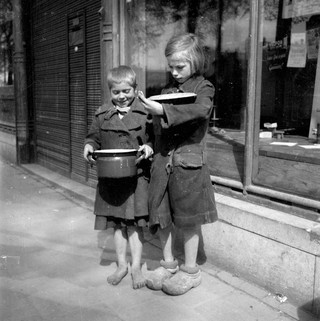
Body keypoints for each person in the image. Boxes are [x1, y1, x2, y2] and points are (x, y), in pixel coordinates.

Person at [138, 33, 218, 295]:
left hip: (188, 163)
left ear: (194, 61)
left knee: (188, 219)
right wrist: (150, 143)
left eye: (179, 66)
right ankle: (169, 264)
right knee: (162, 216)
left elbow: (200, 111)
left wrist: (162, 111)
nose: (174, 72)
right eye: (170, 66)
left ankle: (191, 271)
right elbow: (157, 128)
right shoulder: (166, 92)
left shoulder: (204, 88)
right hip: (163, 162)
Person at [83, 65, 153, 289]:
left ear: (135, 89)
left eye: (126, 91)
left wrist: (149, 148)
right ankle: (122, 265)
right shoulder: (102, 114)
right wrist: (88, 145)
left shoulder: (145, 113)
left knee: (134, 225)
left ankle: (136, 267)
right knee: (117, 224)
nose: (122, 96)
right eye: (116, 92)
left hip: (136, 177)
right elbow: (93, 137)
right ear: (110, 92)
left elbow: (153, 138)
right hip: (111, 178)